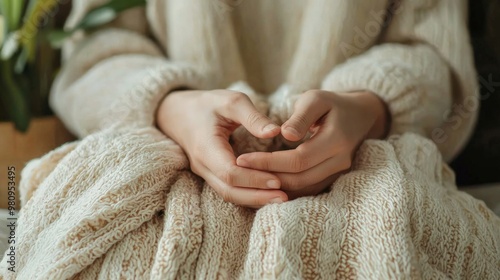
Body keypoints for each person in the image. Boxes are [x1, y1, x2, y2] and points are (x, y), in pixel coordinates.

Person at [2, 0, 499, 278]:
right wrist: (172, 105)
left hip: (363, 160)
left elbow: (430, 51)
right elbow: (98, 53)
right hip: (164, 144)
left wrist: (368, 108)